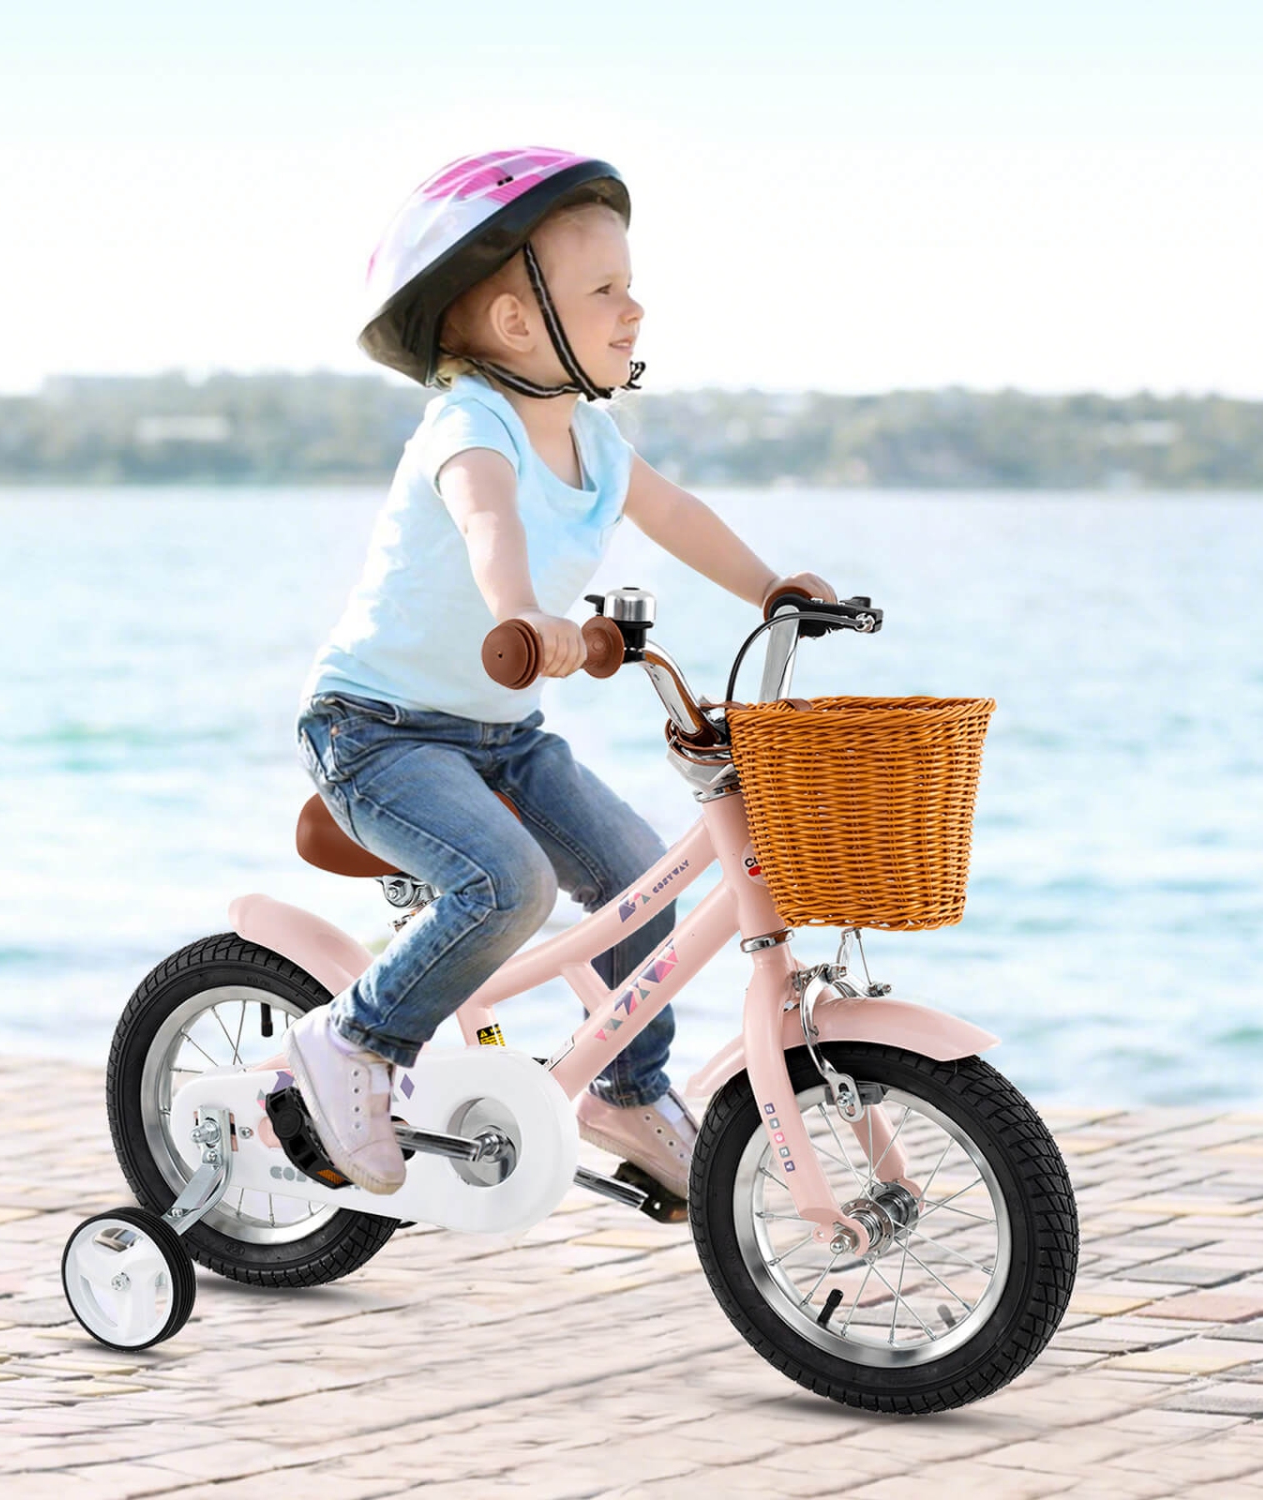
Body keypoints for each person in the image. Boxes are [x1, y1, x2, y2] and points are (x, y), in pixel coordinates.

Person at [287, 147, 834, 1204]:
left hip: (501, 732)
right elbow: (488, 517)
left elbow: (675, 516)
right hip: (377, 728)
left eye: (629, 286)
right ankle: (355, 1042)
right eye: (605, 290)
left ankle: (626, 1090)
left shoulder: (594, 432)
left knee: (641, 884)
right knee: (508, 884)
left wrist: (774, 591)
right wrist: (522, 613)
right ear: (516, 325)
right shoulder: (470, 424)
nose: (636, 308)